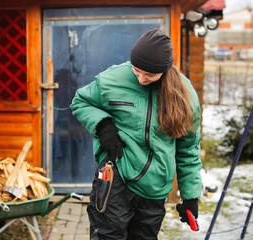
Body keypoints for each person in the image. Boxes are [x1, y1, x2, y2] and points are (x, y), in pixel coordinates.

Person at [70, 29, 202, 240]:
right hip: (116, 175)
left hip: (155, 185)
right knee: (107, 236)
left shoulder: (184, 95)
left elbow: (188, 150)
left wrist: (190, 196)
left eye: (149, 75)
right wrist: (103, 125)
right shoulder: (113, 78)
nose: (141, 78)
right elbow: (80, 102)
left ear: (165, 70)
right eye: (136, 70)